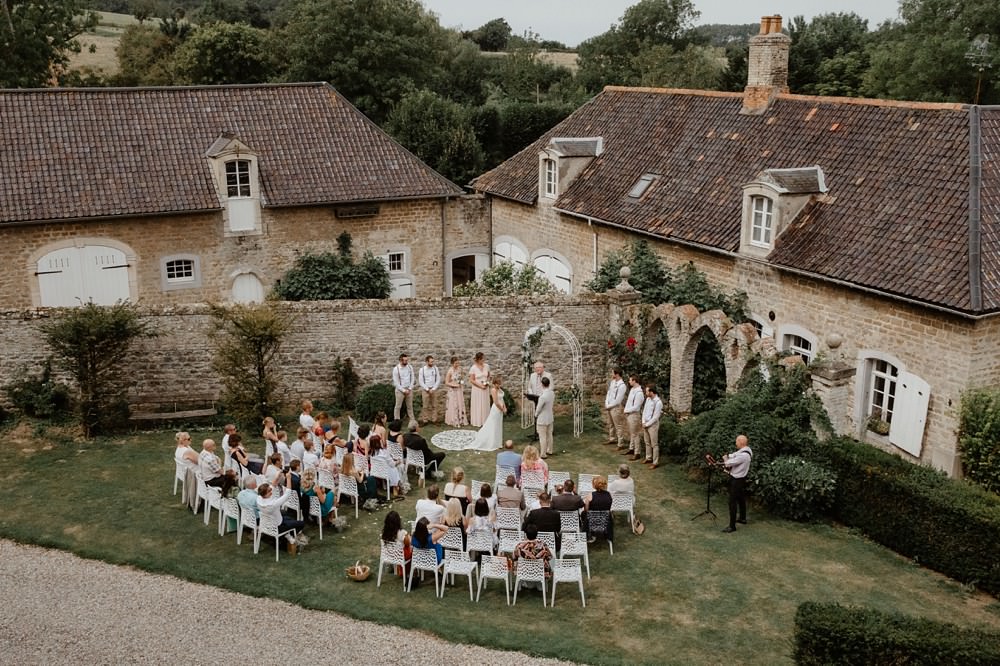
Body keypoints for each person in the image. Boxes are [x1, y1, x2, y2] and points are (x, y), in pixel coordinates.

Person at [256, 482, 305, 555]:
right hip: (278, 526)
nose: (271, 492)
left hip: (266, 524)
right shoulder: (273, 504)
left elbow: (272, 486)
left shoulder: (258, 499)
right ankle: (286, 537)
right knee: (301, 523)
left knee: (288, 517)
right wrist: (288, 478)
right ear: (265, 494)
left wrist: (278, 475)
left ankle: (286, 535)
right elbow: (288, 494)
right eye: (269, 491)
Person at [721, 434, 753, 533]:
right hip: (741, 479)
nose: (735, 443)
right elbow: (735, 454)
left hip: (737, 480)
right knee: (741, 498)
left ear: (740, 442)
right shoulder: (747, 450)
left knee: (732, 502)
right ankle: (743, 518)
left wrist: (726, 459)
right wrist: (729, 455)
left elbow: (728, 464)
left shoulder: (744, 456)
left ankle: (732, 526)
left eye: (736, 442)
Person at [468, 376, 506, 451]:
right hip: (496, 409)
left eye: (500, 384)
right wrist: (502, 409)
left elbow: (502, 399)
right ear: (494, 384)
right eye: (497, 384)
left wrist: (505, 407)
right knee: (494, 425)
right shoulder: (493, 390)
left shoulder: (499, 389)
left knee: (498, 425)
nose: (499, 385)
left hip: (501, 409)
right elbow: (496, 402)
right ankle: (492, 442)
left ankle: (498, 442)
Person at [524, 361, 553, 441]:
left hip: (544, 398)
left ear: (543, 367)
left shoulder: (548, 375)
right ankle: (537, 431)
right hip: (535, 398)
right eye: (536, 368)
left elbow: (551, 388)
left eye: (539, 367)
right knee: (537, 412)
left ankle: (544, 430)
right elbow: (529, 386)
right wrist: (531, 394)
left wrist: (544, 395)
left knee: (542, 413)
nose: (537, 369)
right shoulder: (532, 375)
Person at [583, 475, 614, 542]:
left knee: (584, 514)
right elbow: (609, 507)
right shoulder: (610, 495)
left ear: (595, 485)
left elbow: (586, 509)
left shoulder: (590, 495)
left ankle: (589, 535)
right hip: (606, 521)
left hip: (592, 521)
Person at [382, 510, 411, 578]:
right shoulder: (402, 533)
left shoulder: (385, 533)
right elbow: (408, 543)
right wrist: (408, 536)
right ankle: (406, 571)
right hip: (400, 556)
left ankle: (398, 568)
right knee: (412, 550)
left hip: (388, 554)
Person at [640, 384, 663, 469]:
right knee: (647, 442)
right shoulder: (648, 399)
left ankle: (655, 462)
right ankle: (648, 457)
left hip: (652, 425)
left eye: (647, 391)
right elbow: (644, 411)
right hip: (645, 423)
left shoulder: (658, 402)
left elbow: (656, 417)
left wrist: (647, 424)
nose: (645, 393)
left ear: (651, 392)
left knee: (654, 444)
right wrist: (643, 422)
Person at [604, 368, 627, 448]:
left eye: (613, 373)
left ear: (617, 374)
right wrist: (606, 403)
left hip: (615, 407)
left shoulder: (622, 385)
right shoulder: (613, 382)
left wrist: (609, 406)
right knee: (610, 424)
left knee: (618, 425)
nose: (611, 374)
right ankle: (612, 438)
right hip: (609, 406)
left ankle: (620, 443)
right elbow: (609, 393)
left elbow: (618, 400)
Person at [622, 374, 645, 458]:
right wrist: (626, 410)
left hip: (634, 415)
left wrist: (627, 410)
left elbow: (636, 407)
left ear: (634, 381)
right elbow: (629, 402)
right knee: (631, 433)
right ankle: (631, 448)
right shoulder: (632, 390)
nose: (629, 381)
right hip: (629, 414)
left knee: (635, 434)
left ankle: (637, 452)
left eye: (630, 380)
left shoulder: (639, 393)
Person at [392, 353, 416, 425]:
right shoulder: (396, 369)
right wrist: (403, 390)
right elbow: (396, 382)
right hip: (400, 390)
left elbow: (412, 378)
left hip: (409, 389)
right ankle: (397, 422)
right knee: (398, 406)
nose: (406, 362)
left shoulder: (410, 367)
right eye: (405, 360)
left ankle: (412, 422)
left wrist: (410, 388)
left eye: (407, 360)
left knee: (410, 406)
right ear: (400, 360)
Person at [468, 352, 491, 427]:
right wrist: (480, 386)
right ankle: (477, 421)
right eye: (482, 358)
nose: (484, 360)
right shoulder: (473, 368)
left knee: (485, 403)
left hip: (485, 388)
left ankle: (486, 421)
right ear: (478, 359)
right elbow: (471, 380)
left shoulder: (487, 366)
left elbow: (489, 376)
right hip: (477, 389)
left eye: (484, 358)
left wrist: (487, 383)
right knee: (478, 404)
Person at [535, 376, 555, 458]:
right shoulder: (552, 393)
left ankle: (543, 453)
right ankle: (550, 450)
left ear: (542, 385)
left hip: (542, 418)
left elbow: (539, 408)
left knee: (542, 436)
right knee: (549, 434)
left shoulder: (542, 397)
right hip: (550, 416)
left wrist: (535, 415)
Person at [444, 356, 468, 427]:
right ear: (452, 363)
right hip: (452, 390)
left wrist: (461, 382)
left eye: (458, 363)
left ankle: (461, 419)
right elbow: (446, 382)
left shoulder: (460, 369)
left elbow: (462, 378)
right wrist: (454, 385)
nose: (457, 364)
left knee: (460, 404)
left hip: (459, 390)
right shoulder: (450, 371)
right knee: (454, 405)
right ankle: (454, 420)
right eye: (455, 363)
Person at [418, 355, 441, 425]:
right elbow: (421, 381)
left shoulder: (435, 368)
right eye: (431, 362)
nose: (432, 363)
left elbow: (438, 379)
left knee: (434, 405)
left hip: (434, 389)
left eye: (433, 362)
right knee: (425, 406)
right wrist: (427, 389)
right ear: (427, 362)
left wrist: (433, 389)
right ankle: (425, 420)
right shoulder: (422, 370)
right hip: (425, 390)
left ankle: (434, 420)